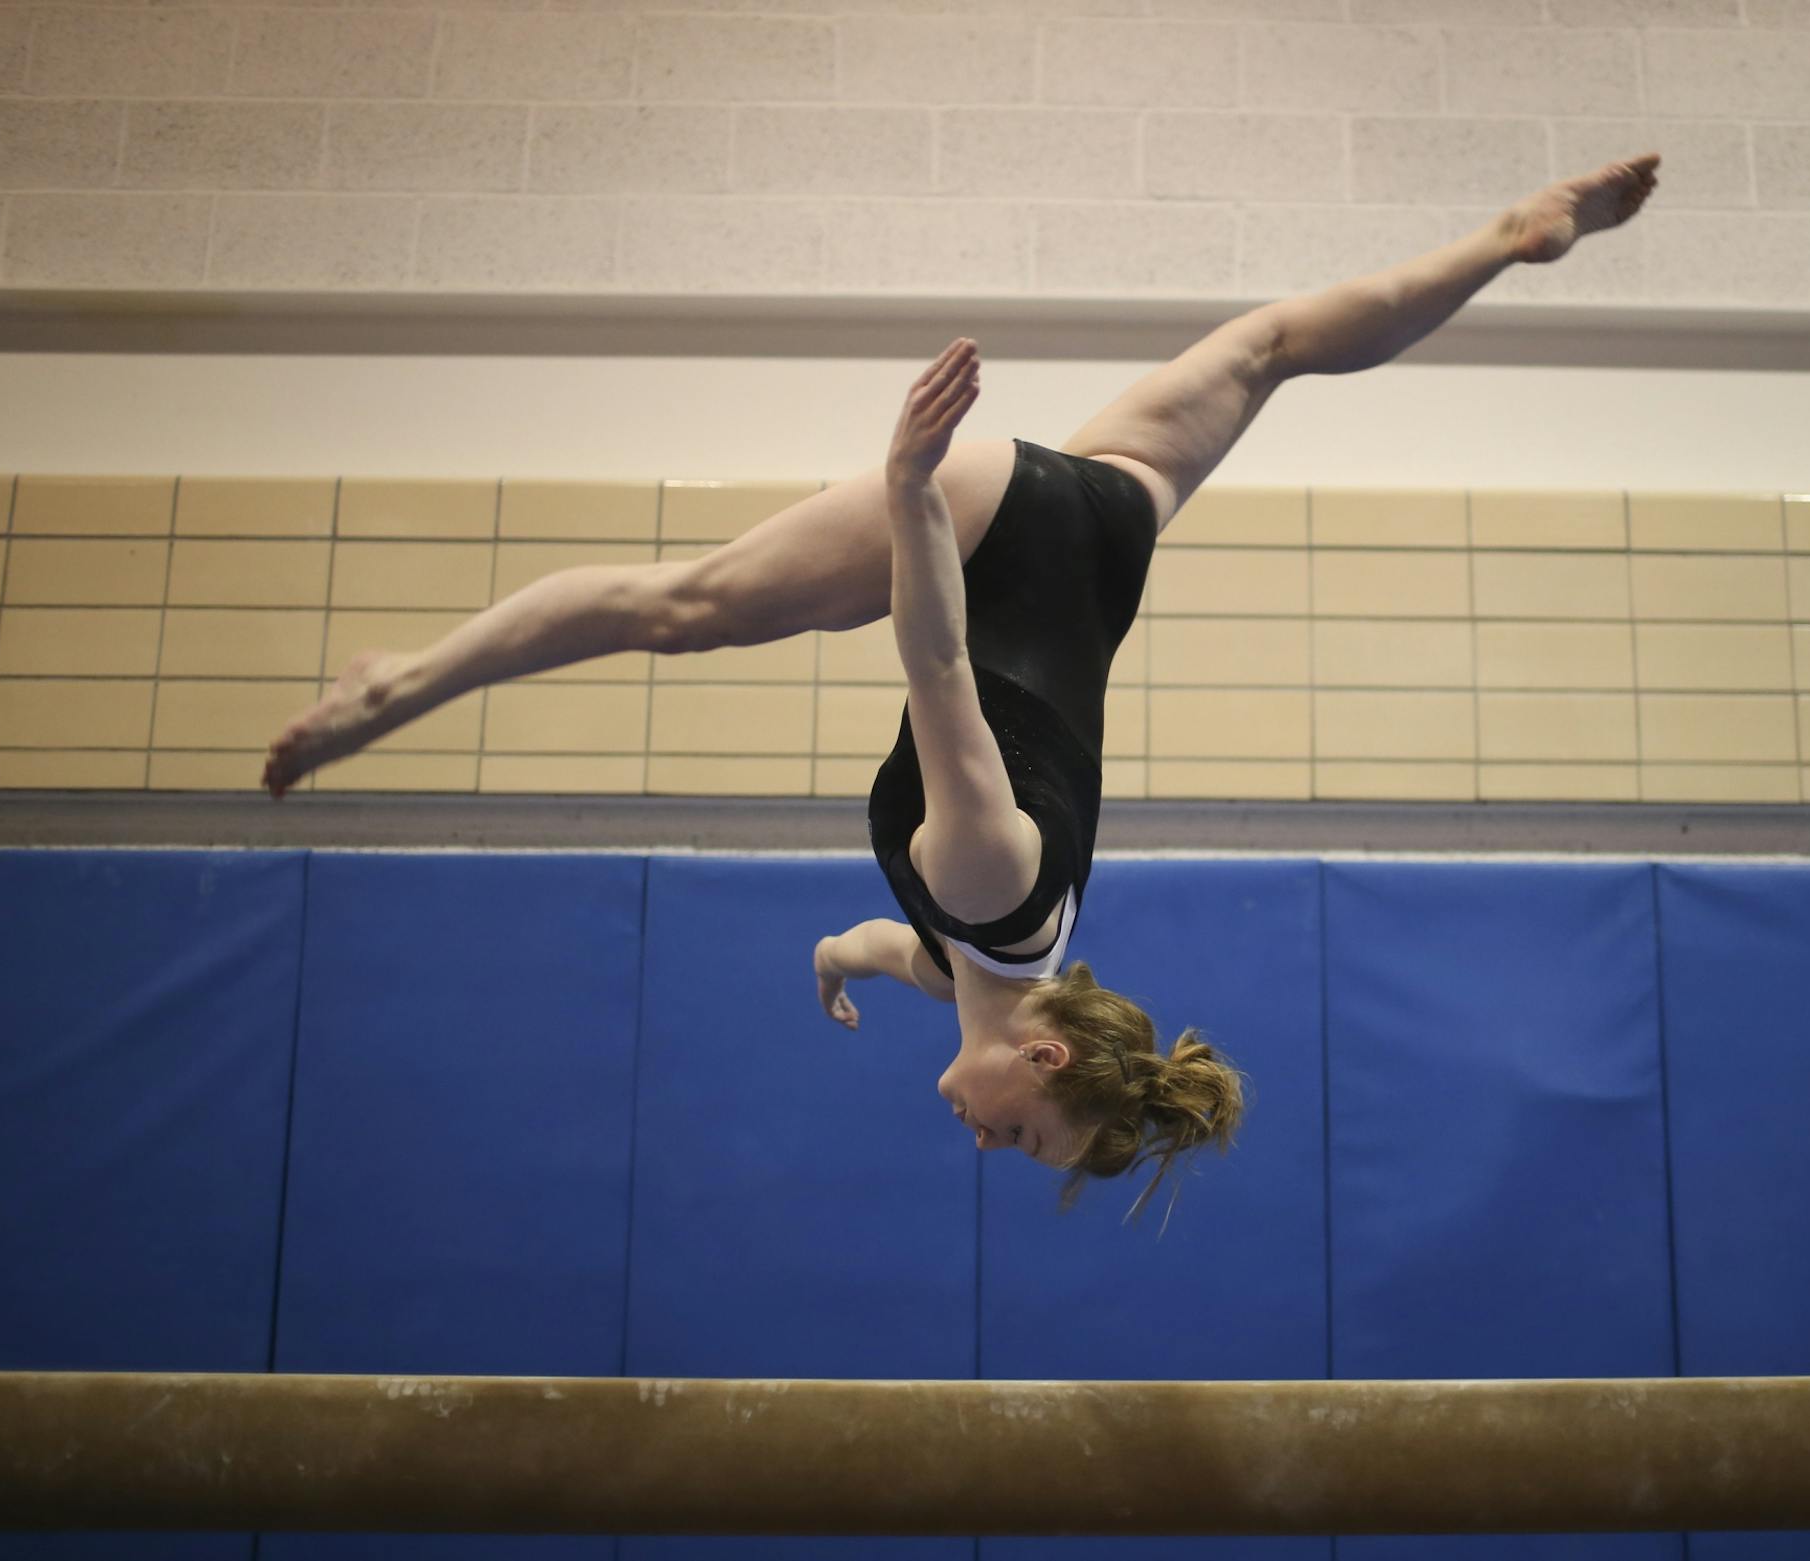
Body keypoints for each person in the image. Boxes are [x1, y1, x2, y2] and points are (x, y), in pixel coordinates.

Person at [263, 154, 1662, 1214]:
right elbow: (934, 662)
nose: (989, 1142)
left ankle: (1505, 238)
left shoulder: (981, 962)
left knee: (1273, 344)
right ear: (1045, 1062)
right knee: (680, 607)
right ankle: (405, 683)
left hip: (1101, 550)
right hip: (986, 532)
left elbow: (893, 953)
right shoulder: (991, 881)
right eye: (1024, 1134)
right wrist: (912, 488)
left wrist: (832, 958)